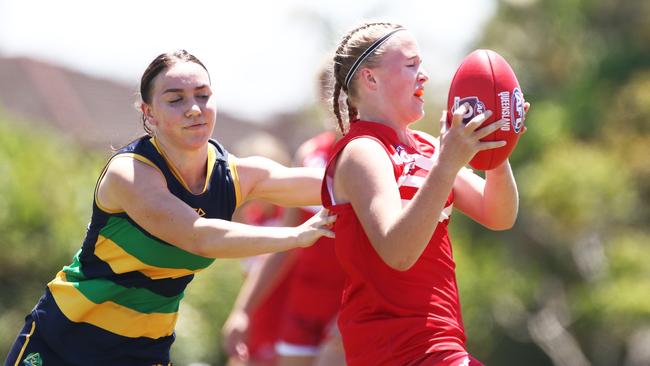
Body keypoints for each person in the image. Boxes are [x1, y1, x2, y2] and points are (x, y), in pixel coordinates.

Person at [4, 49, 335, 366]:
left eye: (203, 95)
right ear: (149, 113)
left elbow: (328, 184)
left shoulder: (232, 174)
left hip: (144, 350)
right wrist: (296, 235)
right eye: (176, 99)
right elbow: (199, 237)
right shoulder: (130, 173)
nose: (194, 108)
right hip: (67, 340)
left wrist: (381, 170)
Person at [322, 22, 529, 366]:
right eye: (411, 65)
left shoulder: (429, 148)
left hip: (436, 345)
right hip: (398, 350)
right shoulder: (363, 152)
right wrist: (446, 164)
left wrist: (497, 145)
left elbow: (499, 214)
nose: (425, 76)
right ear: (370, 79)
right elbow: (397, 251)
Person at [222, 66, 347, 366]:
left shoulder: (378, 154)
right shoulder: (310, 154)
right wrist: (243, 310)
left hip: (350, 303)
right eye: (328, 92)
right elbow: (286, 241)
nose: (336, 101)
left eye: (343, 89)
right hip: (305, 302)